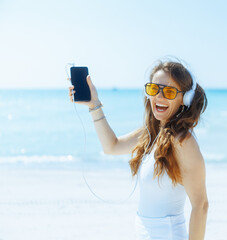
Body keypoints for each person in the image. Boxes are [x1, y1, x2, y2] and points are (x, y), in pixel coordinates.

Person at [68, 60, 209, 240]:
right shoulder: (152, 133)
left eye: (169, 91)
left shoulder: (183, 141)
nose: (159, 96)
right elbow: (112, 146)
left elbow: (201, 205)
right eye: (154, 89)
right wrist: (94, 105)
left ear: (185, 99)